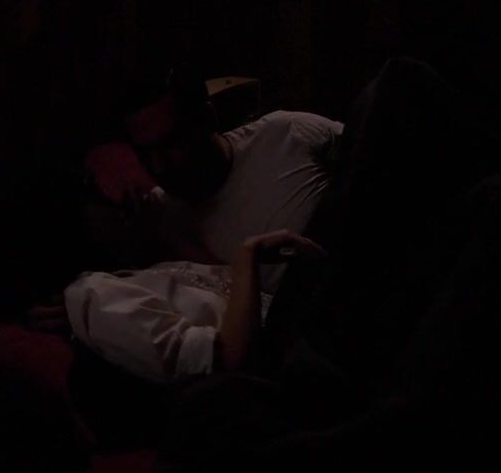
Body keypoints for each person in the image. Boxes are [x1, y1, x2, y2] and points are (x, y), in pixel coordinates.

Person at [26, 66, 343, 383]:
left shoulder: (288, 134)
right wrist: (82, 312)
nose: (159, 165)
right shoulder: (159, 216)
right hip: (297, 337)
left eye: (171, 144)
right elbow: (198, 292)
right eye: (145, 153)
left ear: (207, 118)